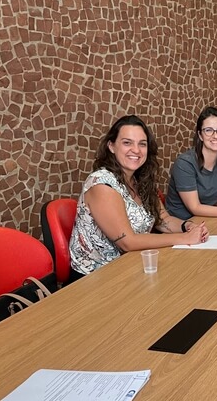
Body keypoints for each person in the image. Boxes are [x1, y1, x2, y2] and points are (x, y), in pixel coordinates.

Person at [69, 115, 209, 279]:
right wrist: (184, 238)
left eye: (142, 144)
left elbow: (163, 219)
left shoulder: (140, 180)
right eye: (127, 143)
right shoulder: (101, 184)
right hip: (95, 278)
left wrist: (188, 226)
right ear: (111, 146)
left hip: (133, 265)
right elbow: (128, 242)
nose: (136, 150)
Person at [165, 106, 217, 220]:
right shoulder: (185, 164)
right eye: (209, 130)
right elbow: (195, 208)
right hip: (180, 224)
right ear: (200, 135)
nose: (215, 135)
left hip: (207, 220)